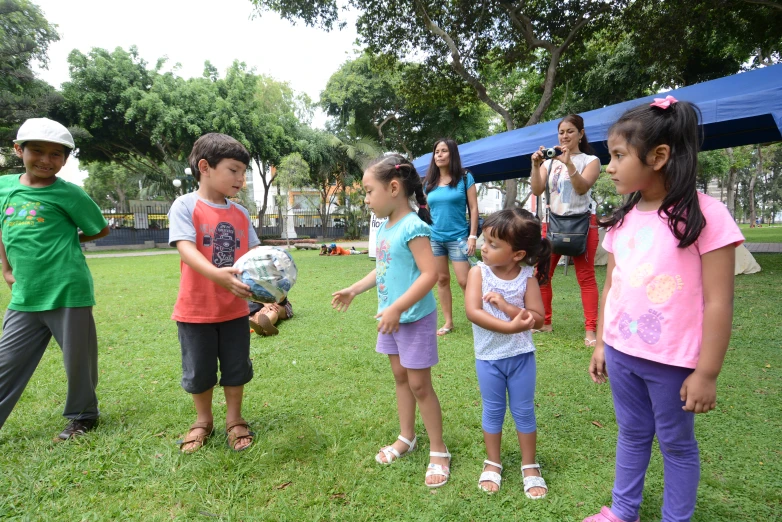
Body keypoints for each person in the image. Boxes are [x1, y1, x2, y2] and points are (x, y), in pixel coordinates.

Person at [584, 97, 744, 522]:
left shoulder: (707, 216)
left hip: (672, 362)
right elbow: (612, 286)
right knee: (632, 434)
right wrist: (601, 343)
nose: (610, 166)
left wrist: (706, 372)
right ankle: (623, 511)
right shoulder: (622, 219)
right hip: (621, 354)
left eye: (618, 156)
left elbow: (719, 301)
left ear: (658, 156)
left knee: (676, 444)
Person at [331, 154, 451, 488]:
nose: (366, 199)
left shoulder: (413, 226)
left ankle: (439, 450)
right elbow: (383, 267)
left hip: (411, 318)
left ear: (394, 187)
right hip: (392, 319)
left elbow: (431, 275)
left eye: (369, 192)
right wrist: (355, 289)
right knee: (400, 377)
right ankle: (407, 437)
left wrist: (397, 307)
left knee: (419, 385)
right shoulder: (385, 227)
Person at [0, 118, 110, 439]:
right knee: (7, 361)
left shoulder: (70, 194)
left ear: (64, 159)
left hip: (67, 289)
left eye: (56, 154)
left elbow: (98, 228)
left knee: (78, 362)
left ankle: (84, 415)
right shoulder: (4, 187)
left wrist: (66, 243)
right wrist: (6, 269)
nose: (46, 160)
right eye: (37, 151)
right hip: (25, 294)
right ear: (19, 150)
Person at [168, 133, 261, 453]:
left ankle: (235, 419)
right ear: (205, 167)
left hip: (235, 309)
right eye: (234, 170)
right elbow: (186, 249)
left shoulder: (240, 214)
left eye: (243, 171)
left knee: (236, 368)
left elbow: (254, 255)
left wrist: (271, 277)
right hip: (195, 309)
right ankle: (203, 420)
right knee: (200, 371)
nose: (241, 178)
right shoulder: (185, 205)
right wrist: (217, 276)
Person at [465, 208, 551, 497]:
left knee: (524, 410)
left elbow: (538, 318)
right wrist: (509, 328)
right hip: (488, 358)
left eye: (493, 244)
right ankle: (493, 462)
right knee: (493, 409)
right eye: (485, 241)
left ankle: (529, 464)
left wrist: (508, 308)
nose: (484, 248)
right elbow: (473, 312)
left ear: (517, 254)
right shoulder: (478, 272)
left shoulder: (526, 276)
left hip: (521, 357)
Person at [530, 115, 601, 346]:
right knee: (542, 274)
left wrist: (569, 162)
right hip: (551, 223)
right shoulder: (549, 163)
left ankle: (591, 330)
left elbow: (581, 188)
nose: (565, 136)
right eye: (561, 132)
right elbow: (537, 189)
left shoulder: (591, 160)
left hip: (582, 224)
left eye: (570, 131)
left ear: (581, 133)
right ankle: (545, 323)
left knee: (586, 277)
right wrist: (536, 165)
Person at [424, 138, 479, 336]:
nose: (439, 154)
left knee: (464, 281)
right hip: (435, 239)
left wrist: (472, 236)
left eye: (444, 151)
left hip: (459, 239)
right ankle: (448, 322)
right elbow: (426, 212)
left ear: (452, 154)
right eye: (436, 151)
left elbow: (473, 208)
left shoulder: (465, 178)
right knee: (442, 280)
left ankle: (477, 319)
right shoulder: (429, 183)